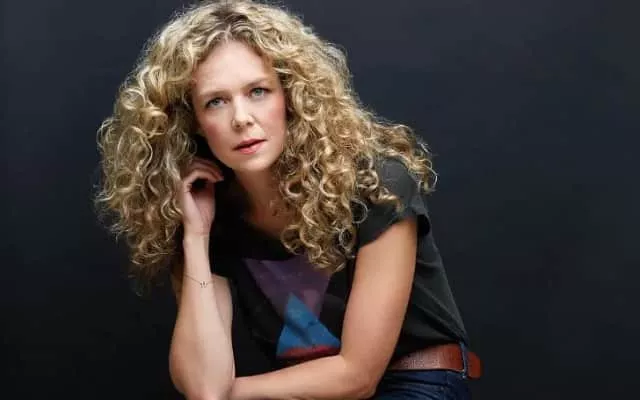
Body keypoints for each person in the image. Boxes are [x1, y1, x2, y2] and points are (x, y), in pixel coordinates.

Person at [94, 0, 482, 398]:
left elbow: (358, 375)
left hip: (416, 382)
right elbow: (203, 385)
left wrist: (230, 393)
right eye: (216, 101)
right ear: (193, 121)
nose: (241, 118)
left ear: (290, 96)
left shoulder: (375, 183)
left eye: (258, 91)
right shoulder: (208, 213)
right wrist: (195, 237)